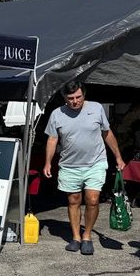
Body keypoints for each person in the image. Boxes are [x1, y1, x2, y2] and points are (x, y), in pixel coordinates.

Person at [43, 81, 125, 255]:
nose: (75, 101)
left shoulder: (96, 108)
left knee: (93, 199)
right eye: (70, 98)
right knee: (74, 200)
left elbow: (107, 133)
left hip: (95, 163)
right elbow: (52, 139)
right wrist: (48, 162)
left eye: (78, 97)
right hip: (69, 165)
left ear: (84, 94)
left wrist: (118, 156)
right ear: (64, 98)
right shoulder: (57, 114)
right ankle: (76, 237)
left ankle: (86, 235)